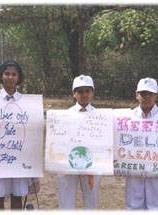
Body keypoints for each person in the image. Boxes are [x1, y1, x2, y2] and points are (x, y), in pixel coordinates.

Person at [0, 60, 38, 210]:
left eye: (14, 74)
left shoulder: (27, 102)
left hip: (18, 157)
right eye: (6, 73)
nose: (10, 77)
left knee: (17, 196)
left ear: (19, 78)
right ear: (1, 76)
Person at [57, 75, 101, 210]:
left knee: (91, 201)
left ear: (92, 93)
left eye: (87, 91)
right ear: (74, 94)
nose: (84, 94)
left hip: (91, 163)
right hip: (68, 163)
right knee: (66, 199)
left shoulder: (100, 116)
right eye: (80, 91)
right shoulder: (64, 116)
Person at [125, 77, 158, 210]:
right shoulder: (127, 118)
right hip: (134, 172)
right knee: (134, 207)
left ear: (156, 96)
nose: (146, 97)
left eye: (150, 93)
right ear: (136, 95)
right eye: (143, 93)